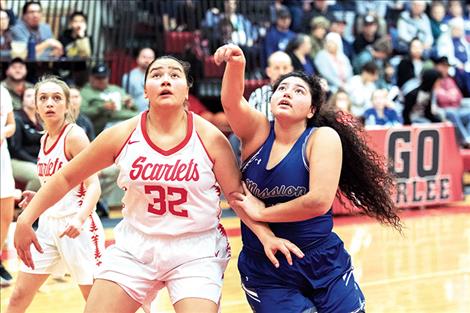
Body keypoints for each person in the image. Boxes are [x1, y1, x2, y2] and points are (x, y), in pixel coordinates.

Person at [14, 56, 303, 313]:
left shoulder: (210, 137)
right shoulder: (122, 134)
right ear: (145, 90)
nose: (165, 79)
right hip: (136, 245)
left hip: (195, 248)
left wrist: (266, 235)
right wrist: (27, 217)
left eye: (174, 75)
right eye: (156, 74)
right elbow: (65, 176)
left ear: (187, 89)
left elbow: (236, 195)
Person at [215, 44, 402, 313]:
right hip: (268, 268)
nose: (287, 93)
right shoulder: (257, 132)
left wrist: (263, 212)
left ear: (312, 110)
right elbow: (231, 103)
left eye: (298, 91)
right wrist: (236, 64)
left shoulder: (322, 138)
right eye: (281, 89)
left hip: (321, 260)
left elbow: (318, 202)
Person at [6, 76, 105, 312]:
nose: (50, 103)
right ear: (36, 106)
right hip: (49, 227)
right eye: (44, 98)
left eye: (56, 98)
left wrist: (80, 218)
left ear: (68, 105)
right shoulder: (44, 139)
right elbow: (56, 183)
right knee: (19, 295)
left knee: (96, 303)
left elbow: (94, 185)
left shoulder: (74, 136)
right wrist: (38, 195)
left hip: (77, 228)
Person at [80, 63, 137, 134]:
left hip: (130, 120)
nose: (101, 80)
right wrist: (102, 107)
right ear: (91, 78)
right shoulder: (86, 92)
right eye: (98, 78)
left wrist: (131, 105)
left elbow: (135, 108)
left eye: (103, 77)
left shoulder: (116, 88)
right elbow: (82, 113)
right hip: (107, 125)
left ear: (108, 77)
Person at [8, 87, 43, 194]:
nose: (32, 99)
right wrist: (35, 162)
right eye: (28, 96)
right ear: (22, 100)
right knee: (38, 176)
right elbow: (16, 149)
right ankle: (26, 207)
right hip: (15, 161)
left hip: (36, 160)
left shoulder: (41, 119)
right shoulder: (17, 118)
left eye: (35, 96)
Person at [0, 84, 16, 286]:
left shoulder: (2, 91)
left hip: (2, 159)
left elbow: (11, 124)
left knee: (5, 213)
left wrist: (4, 131)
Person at [121, 47, 156, 112]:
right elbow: (126, 98)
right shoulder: (128, 77)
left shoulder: (159, 76)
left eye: (150, 58)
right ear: (137, 59)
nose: (147, 60)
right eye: (144, 57)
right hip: (135, 114)